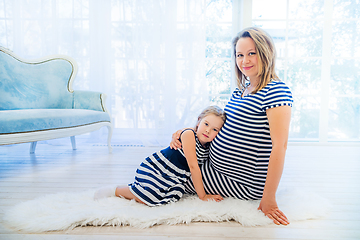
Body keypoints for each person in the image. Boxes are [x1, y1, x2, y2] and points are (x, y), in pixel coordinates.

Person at [170, 27, 292, 225]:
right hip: (212, 164)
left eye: (252, 53)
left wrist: (268, 198)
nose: (245, 61)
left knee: (169, 176)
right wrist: (187, 133)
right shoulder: (241, 91)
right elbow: (222, 127)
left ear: (265, 53)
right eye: (240, 55)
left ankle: (120, 193)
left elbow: (280, 146)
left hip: (242, 181)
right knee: (168, 160)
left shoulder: (276, 91)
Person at [94, 105, 226, 206]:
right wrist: (203, 196)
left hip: (174, 175)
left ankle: (132, 189)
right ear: (199, 121)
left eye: (215, 129)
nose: (208, 130)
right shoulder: (189, 134)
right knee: (149, 196)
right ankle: (115, 190)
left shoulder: (208, 146)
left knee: (166, 198)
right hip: (160, 168)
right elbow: (193, 166)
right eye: (206, 124)